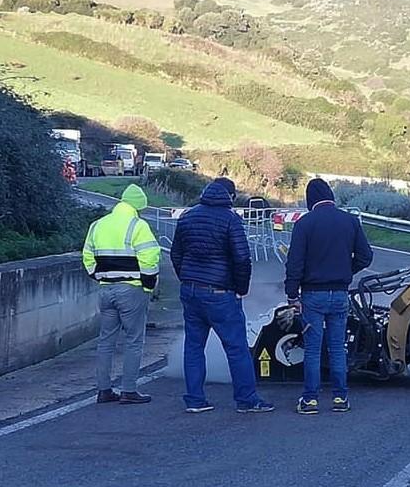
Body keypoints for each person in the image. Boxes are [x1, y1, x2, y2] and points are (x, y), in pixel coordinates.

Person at [170, 177, 274, 414]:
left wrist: (186, 279)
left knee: (194, 346)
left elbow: (176, 254)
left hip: (191, 290)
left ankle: (195, 400)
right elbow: (242, 258)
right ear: (230, 196)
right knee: (236, 347)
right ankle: (247, 399)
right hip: (220, 293)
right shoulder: (230, 219)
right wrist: (241, 289)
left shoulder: (187, 217)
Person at [285, 178, 373, 415]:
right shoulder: (350, 221)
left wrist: (292, 295)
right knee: (337, 347)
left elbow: (294, 263)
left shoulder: (304, 224)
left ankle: (310, 400)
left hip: (313, 295)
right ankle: (340, 398)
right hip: (340, 295)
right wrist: (345, 271)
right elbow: (366, 256)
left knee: (313, 349)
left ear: (310, 200)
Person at [82, 184, 160, 404]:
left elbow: (87, 256)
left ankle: (104, 390)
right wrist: (148, 284)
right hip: (132, 290)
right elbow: (150, 257)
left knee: (105, 341)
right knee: (134, 341)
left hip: (106, 289)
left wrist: (98, 276)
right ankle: (129, 390)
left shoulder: (97, 225)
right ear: (138, 206)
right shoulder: (138, 225)